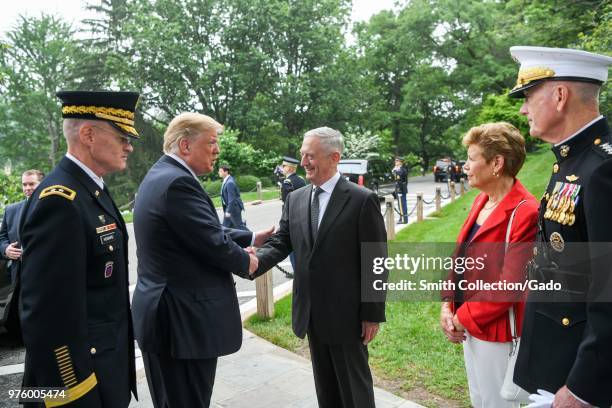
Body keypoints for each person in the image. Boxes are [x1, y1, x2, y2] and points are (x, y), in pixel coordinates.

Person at [131, 112, 272, 408]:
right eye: (211, 142)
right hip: (180, 323)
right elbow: (211, 241)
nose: (217, 150)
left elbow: (199, 229)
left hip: (168, 319)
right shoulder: (178, 184)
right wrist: (246, 261)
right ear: (185, 146)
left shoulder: (164, 175)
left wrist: (249, 238)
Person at [18, 90, 140, 407]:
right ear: (88, 134)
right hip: (79, 385)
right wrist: (75, 391)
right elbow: (48, 314)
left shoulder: (91, 188)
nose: (129, 146)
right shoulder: (60, 201)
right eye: (122, 136)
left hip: (105, 370)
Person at [508, 46, 612, 407]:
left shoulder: (602, 170)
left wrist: (584, 388)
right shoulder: (570, 163)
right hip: (555, 364)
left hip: (579, 379)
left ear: (560, 95)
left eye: (528, 95)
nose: (522, 108)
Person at [254, 127, 387, 408]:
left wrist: (372, 314)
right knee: (326, 389)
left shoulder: (362, 200)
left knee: (355, 391)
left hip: (348, 317)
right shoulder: (296, 198)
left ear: (334, 158)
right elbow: (282, 242)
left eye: (310, 156)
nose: (303, 162)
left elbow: (376, 261)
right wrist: (252, 261)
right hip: (311, 313)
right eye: (303, 155)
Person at [440, 122, 538, 408]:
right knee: (479, 400)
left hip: (496, 332)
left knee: (496, 404)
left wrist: (461, 317)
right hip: (469, 323)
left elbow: (510, 286)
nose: (465, 165)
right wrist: (447, 304)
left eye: (471, 158)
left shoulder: (526, 211)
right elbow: (459, 257)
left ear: (496, 163)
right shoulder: (482, 200)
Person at [0, 169, 44, 283]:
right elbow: (2, 238)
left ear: (42, 184)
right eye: (24, 184)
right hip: (19, 276)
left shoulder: (53, 208)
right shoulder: (11, 210)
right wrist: (6, 249)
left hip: (45, 274)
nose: (27, 188)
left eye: (32, 184)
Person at [219, 164, 247, 230]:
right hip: (229, 208)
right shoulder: (227, 180)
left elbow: (232, 198)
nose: (219, 173)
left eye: (220, 171)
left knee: (239, 226)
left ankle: (255, 237)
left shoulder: (229, 182)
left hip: (233, 208)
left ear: (226, 172)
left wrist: (228, 211)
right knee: (226, 227)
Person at [392, 157, 408, 223]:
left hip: (400, 189)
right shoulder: (398, 169)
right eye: (395, 161)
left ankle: (404, 219)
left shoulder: (401, 170)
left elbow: (400, 181)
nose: (396, 162)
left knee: (402, 205)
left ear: (401, 162)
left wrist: (399, 190)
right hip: (399, 189)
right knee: (400, 205)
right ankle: (402, 218)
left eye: (397, 161)